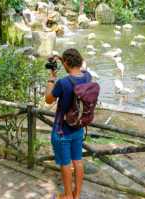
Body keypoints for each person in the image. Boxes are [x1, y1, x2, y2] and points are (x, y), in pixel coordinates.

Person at [45, 48, 92, 199]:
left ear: (66, 63)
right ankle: (76, 195)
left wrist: (51, 78)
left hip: (62, 131)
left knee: (65, 164)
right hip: (78, 128)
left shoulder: (63, 83)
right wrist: (62, 58)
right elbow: (81, 68)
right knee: (77, 161)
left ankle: (67, 196)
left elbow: (48, 99)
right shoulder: (87, 76)